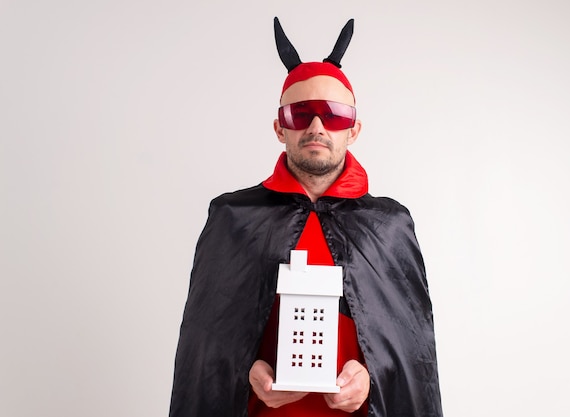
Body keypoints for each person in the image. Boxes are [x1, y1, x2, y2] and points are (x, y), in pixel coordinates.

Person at [169, 17, 443, 417]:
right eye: (301, 113)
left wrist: (371, 378)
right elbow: (206, 352)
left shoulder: (389, 225)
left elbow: (411, 355)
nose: (317, 127)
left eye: (334, 115)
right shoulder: (233, 218)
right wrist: (249, 373)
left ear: (354, 129)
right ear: (281, 127)